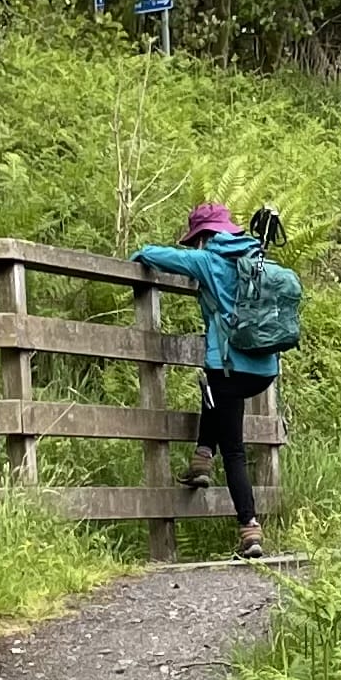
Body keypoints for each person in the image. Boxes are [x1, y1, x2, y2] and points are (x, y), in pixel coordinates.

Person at [135, 201, 286, 558]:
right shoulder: (260, 260)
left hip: (229, 368)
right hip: (265, 368)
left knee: (233, 449)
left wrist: (138, 252)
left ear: (203, 236)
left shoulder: (207, 261)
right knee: (212, 395)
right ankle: (202, 459)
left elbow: (154, 255)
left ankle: (250, 530)